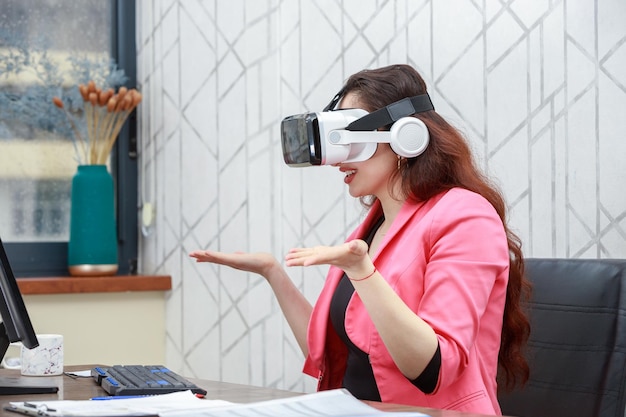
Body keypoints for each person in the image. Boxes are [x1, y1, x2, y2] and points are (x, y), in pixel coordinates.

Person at [190, 64, 531, 415]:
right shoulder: (373, 227)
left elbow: (433, 369)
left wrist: (362, 271)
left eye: (352, 139)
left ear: (403, 137)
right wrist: (272, 272)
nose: (339, 160)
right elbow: (330, 352)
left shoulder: (466, 216)